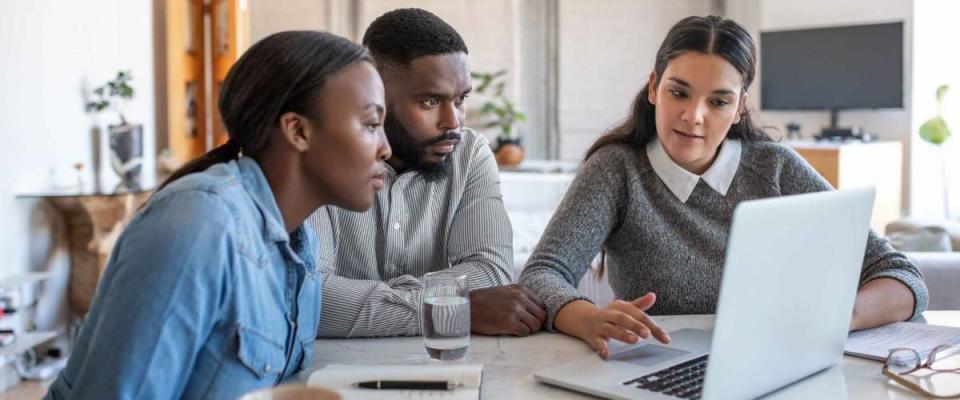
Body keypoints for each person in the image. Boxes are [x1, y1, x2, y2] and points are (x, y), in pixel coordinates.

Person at [519, 15, 928, 358]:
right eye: (679, 92)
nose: (693, 116)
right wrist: (587, 316)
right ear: (652, 88)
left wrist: (843, 316)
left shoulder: (776, 169)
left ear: (738, 109)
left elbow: (899, 274)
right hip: (658, 367)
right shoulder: (616, 169)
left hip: (773, 363)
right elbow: (543, 273)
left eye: (717, 102)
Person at [45, 31, 391, 399]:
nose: (385, 148)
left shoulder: (299, 243)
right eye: (371, 125)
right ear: (298, 130)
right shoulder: (198, 225)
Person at [308, 8, 546, 338]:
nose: (454, 121)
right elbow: (313, 299)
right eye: (431, 101)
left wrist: (367, 304)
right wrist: (450, 309)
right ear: (375, 92)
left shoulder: (470, 153)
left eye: (461, 99)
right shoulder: (322, 157)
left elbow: (492, 273)